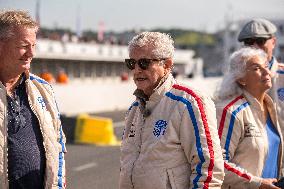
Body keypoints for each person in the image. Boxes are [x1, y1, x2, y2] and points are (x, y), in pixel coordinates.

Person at [119, 31, 224, 189]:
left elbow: (209, 170)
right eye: (132, 63)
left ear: (167, 65)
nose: (137, 70)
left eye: (144, 63)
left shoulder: (190, 102)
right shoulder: (134, 109)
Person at [0, 10, 66, 188]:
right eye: (23, 46)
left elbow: (58, 145)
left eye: (33, 46)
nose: (31, 53)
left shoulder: (43, 89)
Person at [215, 47, 283, 189]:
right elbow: (218, 163)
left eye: (266, 66)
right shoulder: (230, 111)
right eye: (256, 68)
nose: (266, 72)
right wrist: (256, 183)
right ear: (241, 79)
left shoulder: (270, 107)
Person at [238, 18, 284, 134]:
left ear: (273, 42)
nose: (255, 46)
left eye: (260, 41)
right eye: (248, 42)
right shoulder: (236, 79)